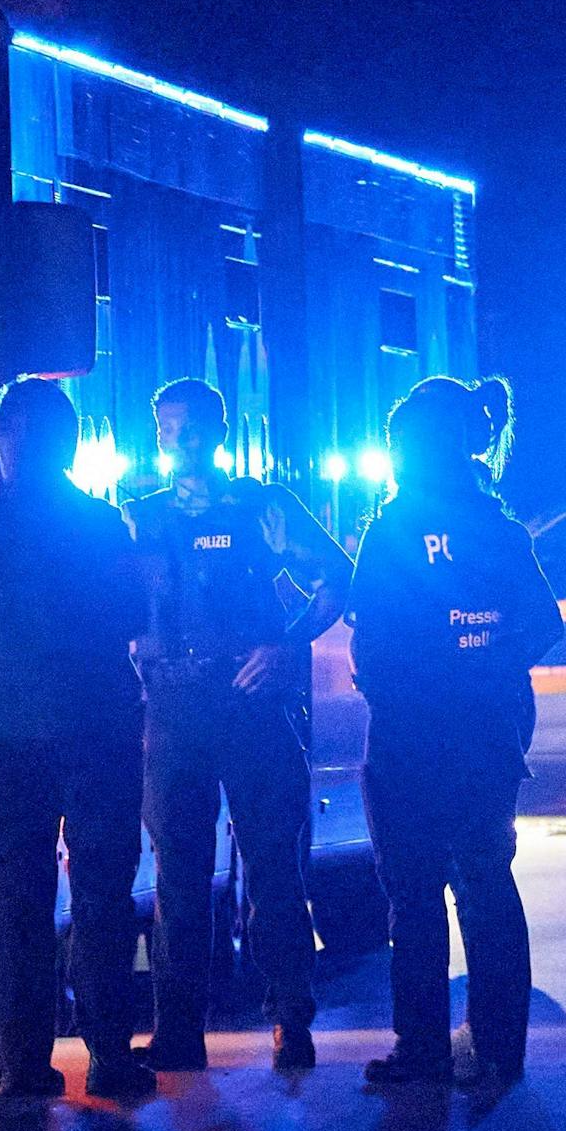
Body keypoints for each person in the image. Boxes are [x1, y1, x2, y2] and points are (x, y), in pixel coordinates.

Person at [125, 378, 352, 1071]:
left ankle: (290, 1018)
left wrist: (287, 644)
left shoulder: (263, 507)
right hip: (173, 709)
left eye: (192, 427)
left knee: (273, 867)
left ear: (219, 433)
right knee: (178, 876)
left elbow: (335, 577)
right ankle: (178, 1030)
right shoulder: (139, 516)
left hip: (249, 704)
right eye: (168, 428)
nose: (179, 439)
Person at [347, 376, 564, 1086]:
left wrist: (398, 682)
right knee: (483, 881)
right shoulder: (499, 530)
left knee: (413, 896)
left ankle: (423, 1050)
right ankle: (501, 1050)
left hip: (410, 737)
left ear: (413, 445)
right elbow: (543, 622)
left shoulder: (394, 529)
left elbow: (368, 633)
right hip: (486, 735)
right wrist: (489, 664)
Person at [0, 379, 152, 1099]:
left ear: (7, 440)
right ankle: (107, 1053)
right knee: (103, 892)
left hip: (7, 725)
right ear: (70, 443)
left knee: (16, 898)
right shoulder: (99, 524)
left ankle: (22, 1062)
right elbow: (133, 611)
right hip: (97, 722)